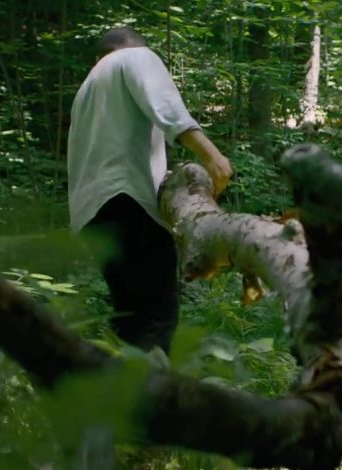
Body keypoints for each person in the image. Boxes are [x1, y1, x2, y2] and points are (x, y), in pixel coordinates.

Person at [67, 27, 232, 354]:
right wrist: (212, 156)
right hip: (127, 199)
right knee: (156, 316)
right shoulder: (135, 57)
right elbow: (166, 106)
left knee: (129, 316)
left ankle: (121, 383)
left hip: (92, 212)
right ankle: (150, 386)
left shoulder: (87, 88)